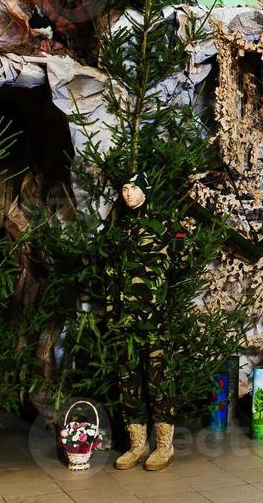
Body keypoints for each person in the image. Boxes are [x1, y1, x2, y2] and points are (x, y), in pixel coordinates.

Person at [111, 179, 177, 472]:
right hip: (124, 318)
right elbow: (110, 272)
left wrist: (158, 292)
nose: (128, 194)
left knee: (158, 378)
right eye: (124, 189)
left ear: (145, 190)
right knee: (129, 380)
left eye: (133, 188)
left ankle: (165, 445)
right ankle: (137, 445)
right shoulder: (117, 228)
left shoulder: (164, 224)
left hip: (154, 318)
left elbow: (182, 258)